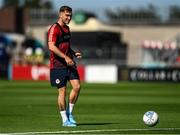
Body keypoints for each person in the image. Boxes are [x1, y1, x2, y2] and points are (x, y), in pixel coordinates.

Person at [47, 6, 82, 127]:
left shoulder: (67, 28)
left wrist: (72, 53)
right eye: (67, 15)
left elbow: (65, 46)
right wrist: (65, 57)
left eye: (70, 15)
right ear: (60, 14)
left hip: (69, 63)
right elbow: (51, 46)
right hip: (57, 65)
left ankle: (70, 113)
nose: (69, 17)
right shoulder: (54, 28)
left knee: (77, 87)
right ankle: (64, 120)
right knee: (62, 91)